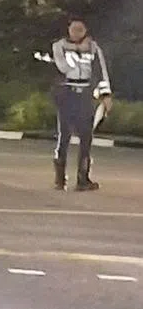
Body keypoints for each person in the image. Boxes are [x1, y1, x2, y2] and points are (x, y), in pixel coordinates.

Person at [51, 16, 112, 191]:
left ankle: (83, 179)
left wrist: (105, 95)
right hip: (66, 93)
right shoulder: (59, 46)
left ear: (86, 30)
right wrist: (78, 54)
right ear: (68, 29)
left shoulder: (94, 48)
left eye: (81, 29)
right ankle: (60, 178)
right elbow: (62, 67)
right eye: (74, 28)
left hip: (86, 95)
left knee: (87, 137)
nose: (77, 32)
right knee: (64, 136)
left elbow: (101, 72)